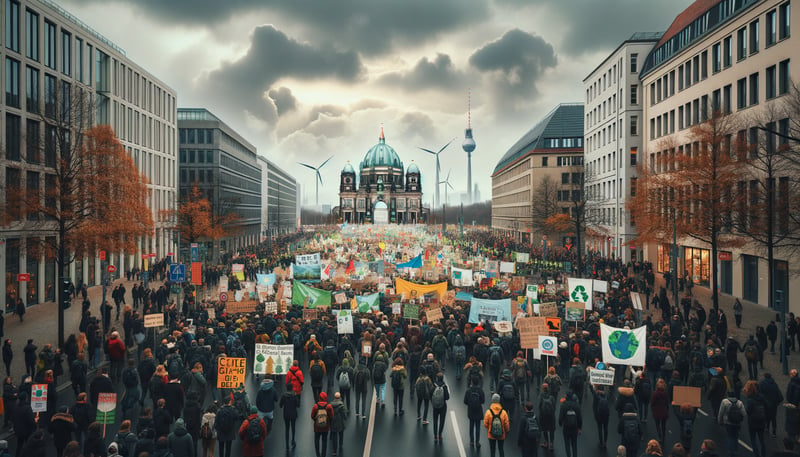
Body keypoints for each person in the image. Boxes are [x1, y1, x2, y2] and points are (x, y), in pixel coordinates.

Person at [718, 390, 747, 457]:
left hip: (728, 422)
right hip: (737, 423)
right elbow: (744, 413)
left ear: (728, 395)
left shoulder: (724, 402)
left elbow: (721, 412)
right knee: (736, 436)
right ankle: (736, 450)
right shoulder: (740, 402)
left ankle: (731, 451)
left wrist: (720, 421)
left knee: (730, 436)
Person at [744, 380, 768, 457]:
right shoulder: (762, 397)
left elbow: (748, 411)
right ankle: (763, 454)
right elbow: (766, 406)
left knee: (753, 440)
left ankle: (757, 454)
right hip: (761, 421)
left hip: (753, 422)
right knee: (762, 440)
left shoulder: (750, 400)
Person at [464, 377, 485, 449]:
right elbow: (483, 401)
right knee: (478, 427)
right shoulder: (480, 390)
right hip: (478, 411)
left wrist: (470, 404)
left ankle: (471, 441)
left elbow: (465, 401)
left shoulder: (469, 391)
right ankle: (477, 442)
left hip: (471, 411)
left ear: (472, 382)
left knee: (471, 426)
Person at [311, 392, 334, 457]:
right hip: (325, 427)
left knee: (316, 440)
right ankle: (323, 454)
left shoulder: (315, 406)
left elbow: (312, 416)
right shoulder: (328, 406)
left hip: (317, 427)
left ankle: (318, 454)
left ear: (319, 398)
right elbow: (332, 416)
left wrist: (316, 420)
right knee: (324, 440)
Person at [559, 392, 582, 457]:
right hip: (574, 427)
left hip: (566, 427)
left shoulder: (564, 405)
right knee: (574, 444)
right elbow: (579, 418)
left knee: (567, 444)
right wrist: (579, 428)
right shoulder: (576, 405)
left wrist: (560, 423)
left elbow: (561, 417)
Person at [279, 383, 299, 451]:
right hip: (293, 414)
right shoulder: (294, 395)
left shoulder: (284, 396)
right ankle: (293, 440)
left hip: (286, 414)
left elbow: (280, 405)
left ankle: (287, 444)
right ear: (292, 388)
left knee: (287, 429)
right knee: (293, 428)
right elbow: (298, 405)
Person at [431, 372, 450, 442]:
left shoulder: (434, 385)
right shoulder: (444, 386)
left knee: (435, 420)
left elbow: (430, 393)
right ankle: (440, 434)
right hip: (443, 406)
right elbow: (447, 397)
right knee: (442, 420)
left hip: (435, 406)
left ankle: (435, 435)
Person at [329, 392, 348, 456]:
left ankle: (334, 450)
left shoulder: (330, 405)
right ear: (339, 397)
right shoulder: (341, 405)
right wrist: (345, 418)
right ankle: (340, 445)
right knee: (341, 434)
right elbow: (344, 414)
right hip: (340, 422)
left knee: (334, 436)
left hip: (333, 422)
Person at [651, 378, 670, 443]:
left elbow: (652, 403)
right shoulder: (665, 393)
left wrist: (652, 409)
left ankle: (660, 436)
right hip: (664, 411)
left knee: (657, 425)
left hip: (657, 411)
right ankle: (663, 437)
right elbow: (667, 403)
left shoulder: (655, 393)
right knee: (663, 425)